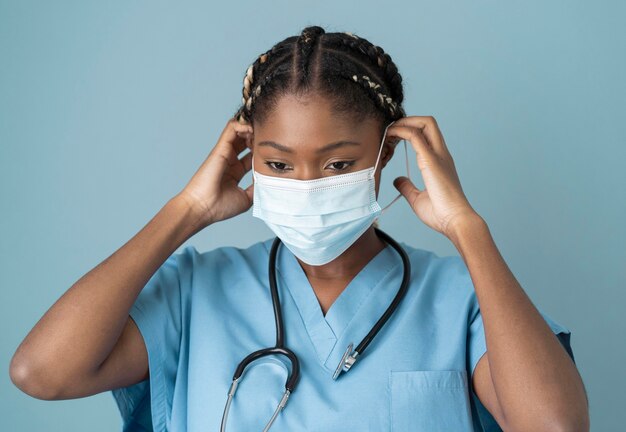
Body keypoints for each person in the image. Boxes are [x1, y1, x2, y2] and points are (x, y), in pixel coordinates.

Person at [9, 25, 589, 431]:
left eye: (337, 164)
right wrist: (186, 210)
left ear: (387, 154)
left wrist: (468, 228)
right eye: (279, 164)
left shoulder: (463, 298)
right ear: (248, 156)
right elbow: (41, 372)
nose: (308, 184)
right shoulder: (196, 292)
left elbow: (554, 425)